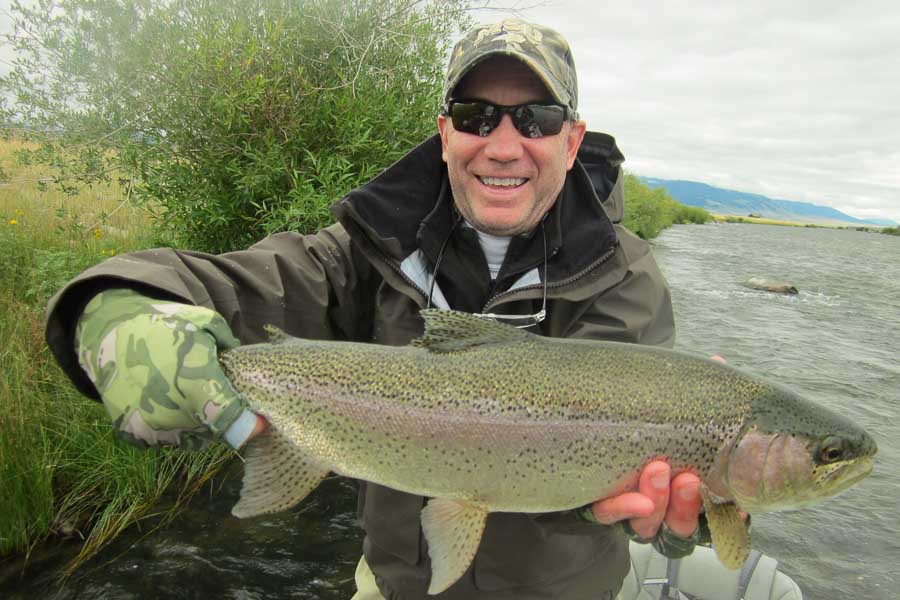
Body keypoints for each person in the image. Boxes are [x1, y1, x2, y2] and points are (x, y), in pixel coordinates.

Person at [46, 18, 716, 600]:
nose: (504, 145)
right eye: (476, 116)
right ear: (445, 133)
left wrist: (694, 509)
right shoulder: (371, 247)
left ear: (571, 142)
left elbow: (632, 467)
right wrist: (115, 310)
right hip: (394, 585)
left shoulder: (624, 277)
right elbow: (229, 284)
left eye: (535, 119)